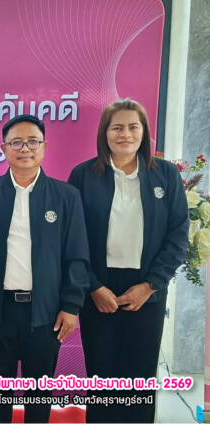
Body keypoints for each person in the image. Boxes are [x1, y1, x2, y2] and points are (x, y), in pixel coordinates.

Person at [68, 98, 189, 422]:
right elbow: (72, 238)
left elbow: (178, 234)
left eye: (133, 127)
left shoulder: (165, 175)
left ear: (144, 132)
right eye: (117, 127)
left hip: (146, 289)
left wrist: (151, 285)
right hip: (99, 290)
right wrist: (94, 287)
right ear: (104, 133)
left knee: (140, 378)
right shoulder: (83, 175)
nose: (126, 134)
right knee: (102, 377)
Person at [0, 114, 89, 423]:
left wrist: (71, 305)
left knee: (39, 395)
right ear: (3, 148)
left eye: (32, 142)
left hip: (45, 314)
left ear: (44, 146)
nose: (25, 148)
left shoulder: (66, 196)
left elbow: (77, 255)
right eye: (16, 142)